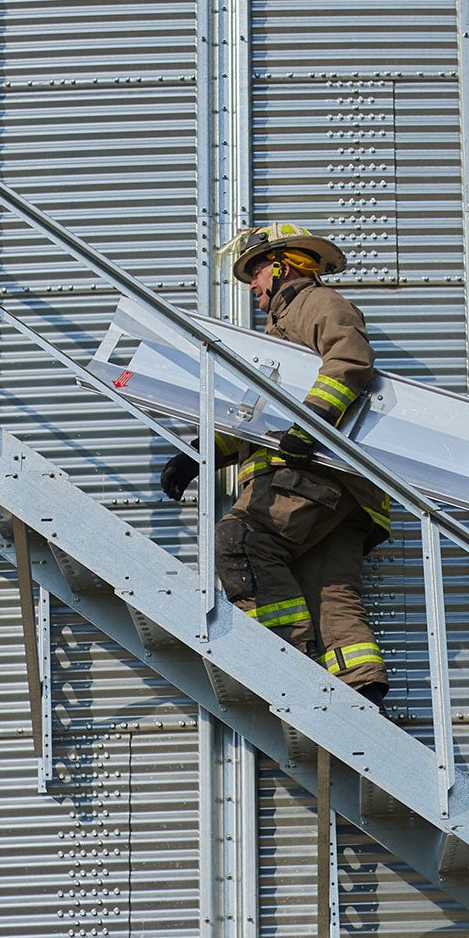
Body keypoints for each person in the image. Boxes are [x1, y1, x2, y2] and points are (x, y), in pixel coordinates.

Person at [161, 222, 392, 702]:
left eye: (256, 272)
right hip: (345, 493)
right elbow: (259, 422)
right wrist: (200, 456)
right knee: (329, 592)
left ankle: (288, 664)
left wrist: (312, 424)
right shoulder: (281, 331)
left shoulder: (315, 304)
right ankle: (362, 696)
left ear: (283, 266)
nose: (252, 286)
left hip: (309, 477)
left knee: (241, 541)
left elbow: (350, 358)